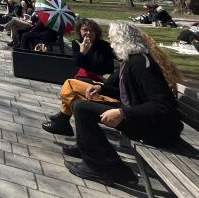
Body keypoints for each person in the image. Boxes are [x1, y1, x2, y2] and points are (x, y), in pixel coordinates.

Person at [59, 22, 183, 186]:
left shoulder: (141, 64)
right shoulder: (131, 61)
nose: (111, 45)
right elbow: (130, 94)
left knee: (82, 108)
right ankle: (93, 155)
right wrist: (102, 88)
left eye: (113, 40)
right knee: (80, 106)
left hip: (156, 129)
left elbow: (164, 105)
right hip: (140, 116)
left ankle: (109, 170)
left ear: (123, 40)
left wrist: (122, 113)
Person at [41, 18, 115, 135]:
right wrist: (83, 53)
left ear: (96, 32)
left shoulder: (104, 46)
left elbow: (107, 68)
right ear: (79, 31)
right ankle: (63, 121)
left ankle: (63, 117)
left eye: (91, 30)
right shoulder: (77, 43)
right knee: (76, 85)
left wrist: (88, 61)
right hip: (83, 79)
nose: (88, 33)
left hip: (98, 82)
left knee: (70, 86)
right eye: (85, 30)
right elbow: (78, 63)